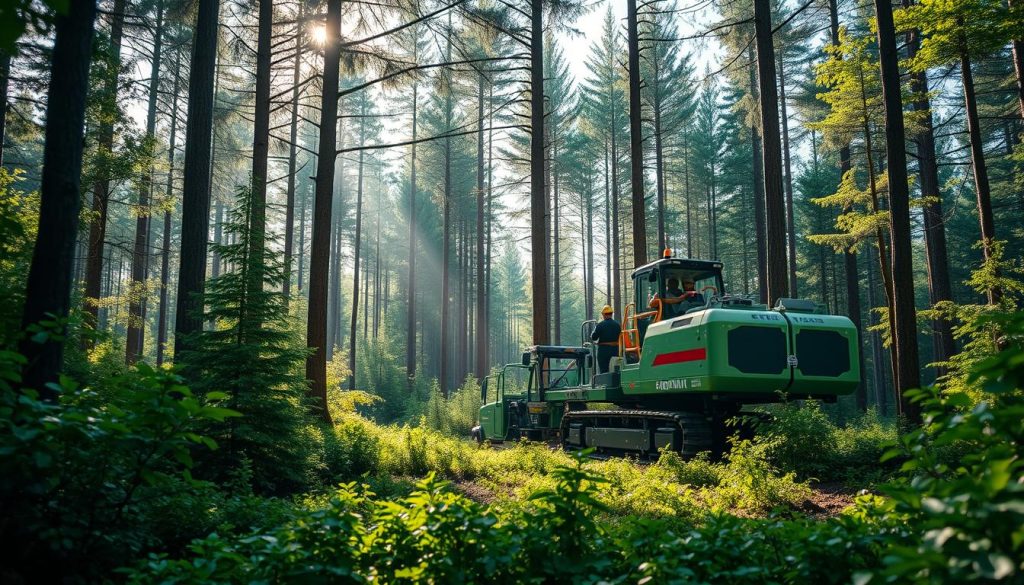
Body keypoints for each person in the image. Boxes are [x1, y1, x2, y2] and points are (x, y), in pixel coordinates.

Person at [591, 305, 621, 374]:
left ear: (603, 314)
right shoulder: (617, 325)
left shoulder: (600, 325)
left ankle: (605, 384)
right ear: (611, 314)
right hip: (615, 350)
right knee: (615, 370)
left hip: (603, 351)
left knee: (604, 371)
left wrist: (593, 332)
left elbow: (594, 337)